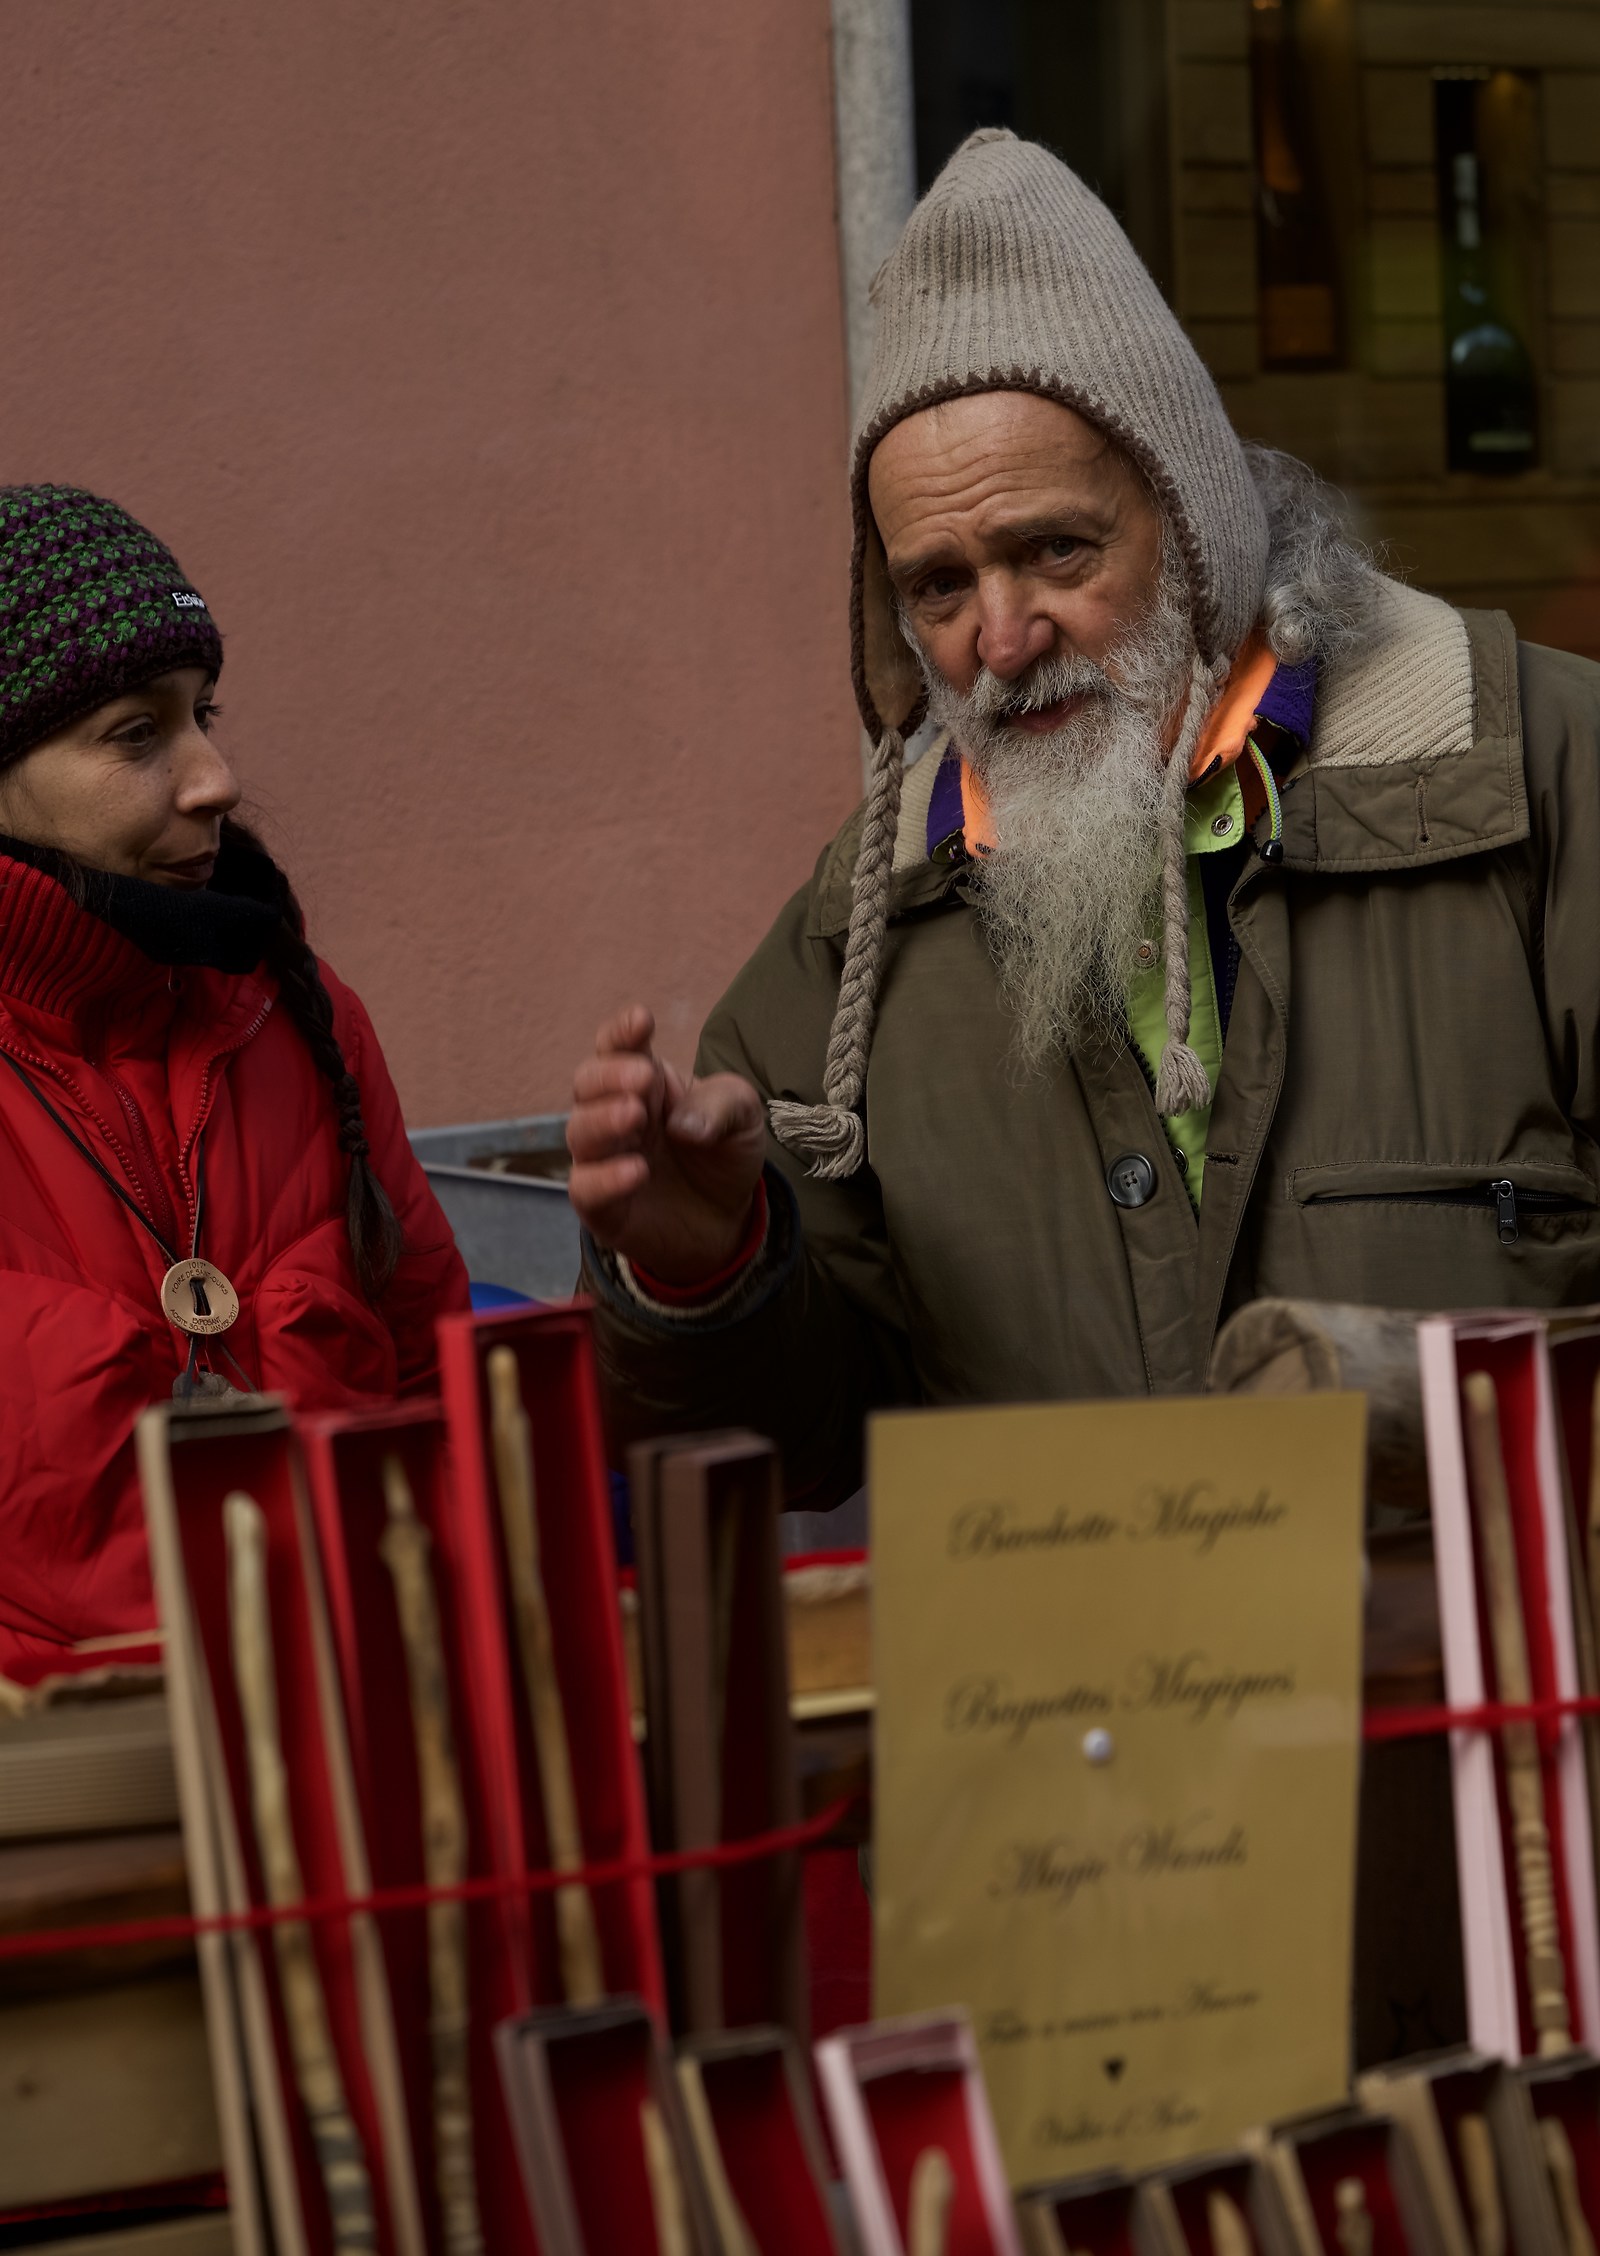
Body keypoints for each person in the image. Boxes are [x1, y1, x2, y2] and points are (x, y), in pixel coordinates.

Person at [567, 129, 1600, 1508]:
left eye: (1057, 550)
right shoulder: (851, 951)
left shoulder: (1543, 774)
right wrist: (702, 1273)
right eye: (939, 585)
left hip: (1488, 1702)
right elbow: (792, 1446)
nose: (1001, 638)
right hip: (1084, 1718)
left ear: (1195, 522)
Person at [0, 485, 467, 1681]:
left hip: (357, 1729)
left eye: (202, 714)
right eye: (135, 732)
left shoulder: (300, 1022)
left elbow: (436, 1400)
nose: (214, 774)